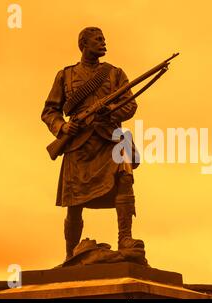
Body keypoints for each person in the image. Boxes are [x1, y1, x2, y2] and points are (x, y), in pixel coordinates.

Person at [41, 27, 143, 262]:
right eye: (98, 39)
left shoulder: (115, 74)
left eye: (104, 39)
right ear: (83, 44)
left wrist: (111, 110)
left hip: (110, 138)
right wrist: (63, 127)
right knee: (74, 201)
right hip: (78, 144)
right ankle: (70, 252)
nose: (103, 42)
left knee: (125, 176)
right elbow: (49, 111)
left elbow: (130, 105)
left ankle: (125, 238)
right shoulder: (65, 75)